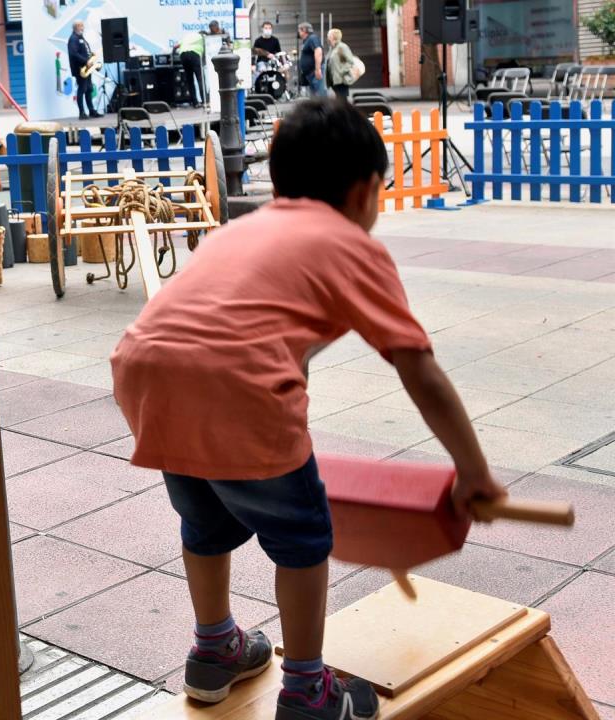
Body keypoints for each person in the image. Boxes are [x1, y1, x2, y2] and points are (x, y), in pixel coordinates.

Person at [109, 99, 506, 720]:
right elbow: (418, 368)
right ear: (367, 189)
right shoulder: (351, 242)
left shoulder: (247, 227)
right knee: (303, 537)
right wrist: (474, 471)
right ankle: (307, 693)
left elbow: (243, 326)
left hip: (145, 373)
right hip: (234, 385)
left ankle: (214, 650)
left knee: (206, 521)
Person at [67, 20, 102, 120]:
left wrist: (90, 55)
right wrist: (85, 61)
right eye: (81, 26)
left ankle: (91, 111)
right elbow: (74, 53)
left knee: (89, 88)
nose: (83, 27)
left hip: (87, 68)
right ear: (76, 27)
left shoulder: (80, 37)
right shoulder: (73, 38)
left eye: (83, 25)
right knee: (82, 89)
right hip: (80, 68)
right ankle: (82, 113)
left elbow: (82, 51)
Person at [326, 28, 355, 100]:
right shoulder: (333, 48)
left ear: (334, 36)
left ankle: (345, 111)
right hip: (335, 81)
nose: (327, 37)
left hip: (341, 80)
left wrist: (341, 71)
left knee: (342, 100)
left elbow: (350, 61)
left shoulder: (342, 46)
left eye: (329, 35)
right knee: (340, 100)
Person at [297, 22, 324, 96]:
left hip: (315, 72)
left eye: (299, 30)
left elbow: (318, 51)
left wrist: (318, 69)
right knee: (314, 97)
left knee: (321, 94)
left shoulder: (312, 38)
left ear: (304, 30)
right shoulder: (306, 40)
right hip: (310, 74)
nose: (298, 32)